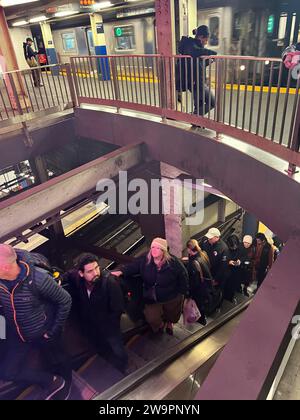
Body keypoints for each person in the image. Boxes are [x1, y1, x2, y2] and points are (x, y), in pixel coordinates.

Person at [0, 245, 72, 400]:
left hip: (43, 332)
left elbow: (65, 300)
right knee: (7, 372)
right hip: (18, 334)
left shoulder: (39, 280)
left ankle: (66, 388)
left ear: (5, 267)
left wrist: (53, 330)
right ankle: (50, 381)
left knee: (59, 361)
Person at [112, 238, 189, 336]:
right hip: (152, 297)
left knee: (172, 313)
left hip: (171, 296)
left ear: (164, 251)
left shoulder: (174, 263)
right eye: (152, 247)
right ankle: (160, 325)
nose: (154, 250)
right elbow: (134, 266)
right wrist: (121, 271)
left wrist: (184, 293)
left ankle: (170, 323)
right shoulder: (145, 259)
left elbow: (184, 277)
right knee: (152, 318)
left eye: (158, 248)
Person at [67, 254, 128, 374]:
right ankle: (108, 361)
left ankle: (123, 367)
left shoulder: (109, 283)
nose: (95, 273)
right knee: (101, 347)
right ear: (81, 273)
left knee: (117, 348)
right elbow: (69, 274)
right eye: (90, 271)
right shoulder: (78, 279)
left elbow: (117, 308)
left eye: (96, 268)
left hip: (108, 327)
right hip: (91, 326)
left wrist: (107, 325)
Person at [178, 25, 217, 116]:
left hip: (197, 81)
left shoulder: (195, 45)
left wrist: (209, 61)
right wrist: (214, 54)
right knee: (213, 102)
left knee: (199, 104)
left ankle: (197, 122)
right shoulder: (190, 44)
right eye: (206, 40)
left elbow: (197, 64)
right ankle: (194, 117)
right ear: (200, 37)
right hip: (195, 82)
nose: (206, 42)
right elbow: (195, 52)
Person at [186, 239, 213, 326]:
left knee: (198, 305)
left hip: (199, 288)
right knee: (201, 304)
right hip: (205, 285)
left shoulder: (194, 263)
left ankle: (200, 321)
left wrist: (189, 293)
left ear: (189, 249)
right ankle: (202, 319)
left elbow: (195, 281)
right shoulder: (203, 254)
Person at [200, 227, 230, 293]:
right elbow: (200, 251)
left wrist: (216, 279)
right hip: (207, 272)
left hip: (217, 275)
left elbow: (223, 267)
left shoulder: (223, 248)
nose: (208, 239)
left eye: (210, 238)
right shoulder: (206, 242)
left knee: (216, 293)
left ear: (217, 237)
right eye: (208, 237)